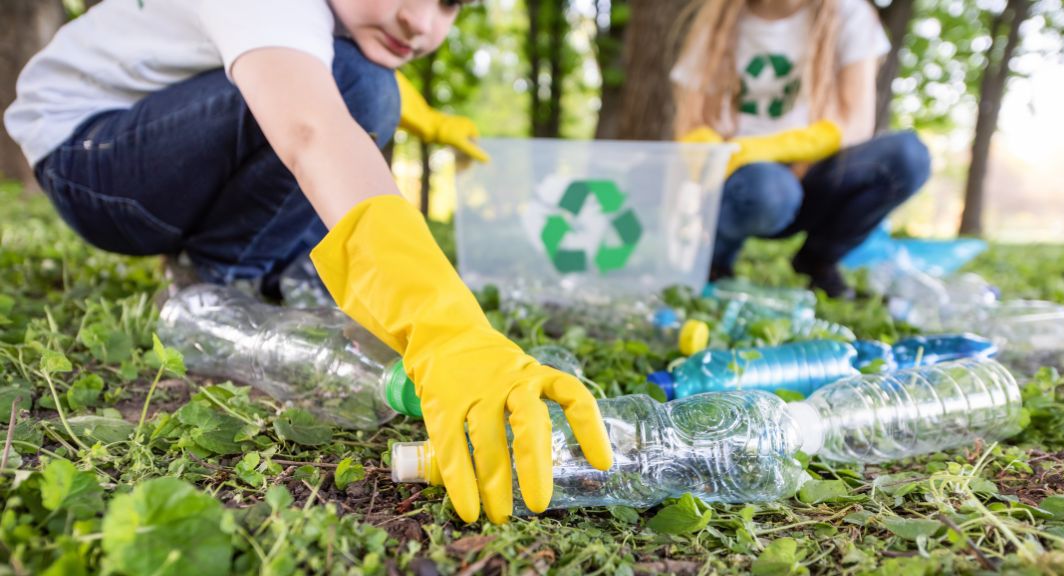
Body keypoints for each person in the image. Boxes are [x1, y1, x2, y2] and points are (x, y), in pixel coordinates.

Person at [4, 0, 612, 525]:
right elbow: (313, 127)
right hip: (89, 159)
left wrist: (418, 112)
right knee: (359, 85)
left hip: (138, 139)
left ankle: (260, 259)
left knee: (365, 80)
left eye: (451, 4)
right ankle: (227, 272)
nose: (422, 22)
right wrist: (443, 328)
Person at [672, 0, 932, 298]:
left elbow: (856, 123)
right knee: (768, 189)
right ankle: (714, 262)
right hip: (748, 183)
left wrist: (768, 148)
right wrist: (711, 153)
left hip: (818, 173)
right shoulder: (719, 18)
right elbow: (692, 121)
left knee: (907, 156)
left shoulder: (848, 12)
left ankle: (818, 260)